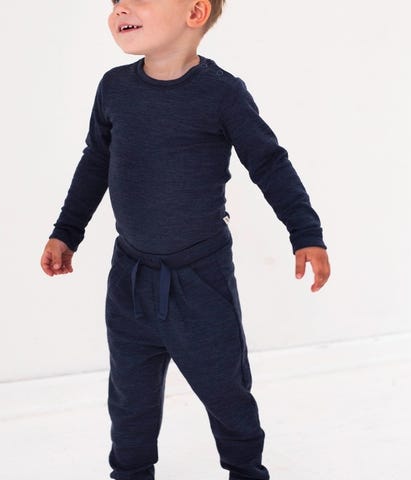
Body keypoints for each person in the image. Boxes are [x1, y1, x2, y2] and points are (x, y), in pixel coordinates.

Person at [40, 0, 331, 479]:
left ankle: (246, 470)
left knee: (225, 390)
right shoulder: (114, 88)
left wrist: (305, 233)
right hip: (130, 278)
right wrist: (66, 232)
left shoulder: (222, 94)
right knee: (130, 397)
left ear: (195, 12)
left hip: (200, 280)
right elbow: (96, 162)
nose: (121, 7)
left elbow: (269, 163)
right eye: (116, 1)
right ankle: (130, 472)